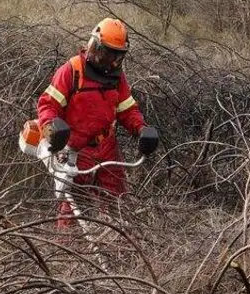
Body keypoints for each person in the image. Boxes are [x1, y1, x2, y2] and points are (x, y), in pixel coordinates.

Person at [33, 18, 159, 229]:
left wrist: (141, 128)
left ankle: (118, 248)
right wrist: (51, 127)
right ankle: (67, 254)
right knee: (73, 209)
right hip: (75, 148)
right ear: (94, 45)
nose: (109, 59)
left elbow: (127, 110)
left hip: (106, 147)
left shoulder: (117, 78)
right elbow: (48, 105)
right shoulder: (72, 71)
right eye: (106, 52)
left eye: (115, 55)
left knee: (117, 204)